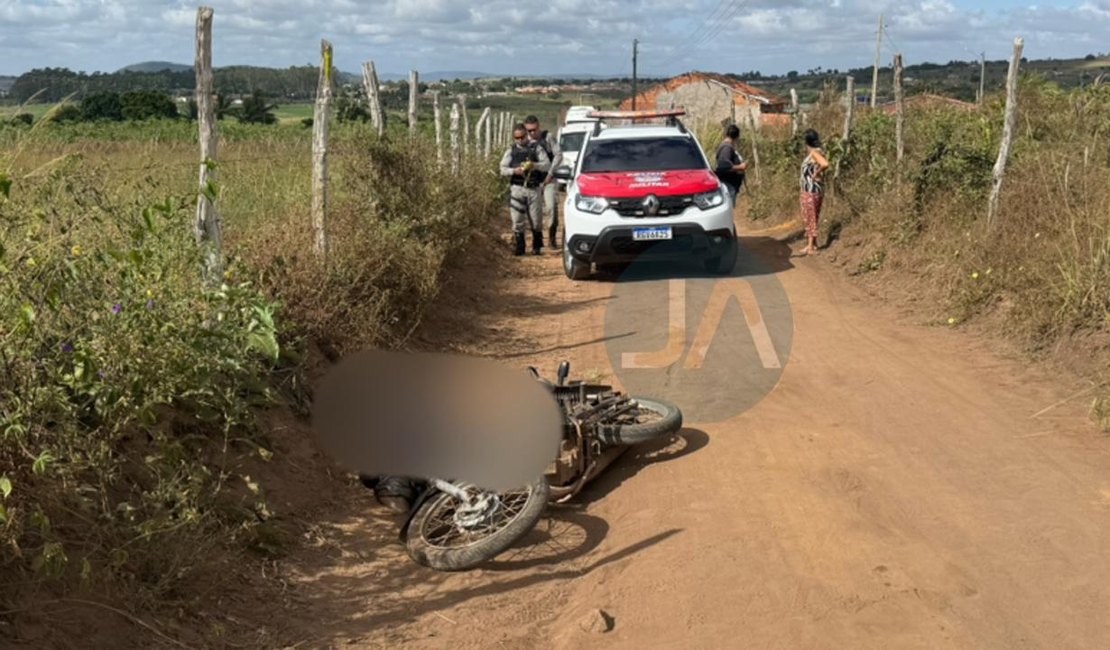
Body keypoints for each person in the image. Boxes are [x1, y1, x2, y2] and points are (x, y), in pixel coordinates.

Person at [500, 123, 551, 255]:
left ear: (526, 135)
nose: (520, 140)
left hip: (533, 189)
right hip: (517, 188)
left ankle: (536, 246)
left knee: (536, 220)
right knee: (517, 220)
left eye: (522, 137)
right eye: (517, 138)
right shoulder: (511, 151)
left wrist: (534, 165)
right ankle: (520, 247)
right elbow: (502, 169)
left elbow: (546, 165)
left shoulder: (536, 148)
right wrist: (514, 171)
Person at [523, 115, 563, 250]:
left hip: (549, 179)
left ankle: (552, 237)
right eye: (529, 131)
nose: (532, 133)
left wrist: (551, 174)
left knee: (551, 208)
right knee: (535, 213)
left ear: (538, 126)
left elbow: (558, 155)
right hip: (533, 182)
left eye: (534, 129)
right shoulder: (524, 141)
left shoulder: (548, 137)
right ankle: (537, 240)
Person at [799, 128, 830, 256]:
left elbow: (825, 164)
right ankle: (813, 244)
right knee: (813, 217)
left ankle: (810, 246)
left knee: (810, 217)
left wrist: (815, 174)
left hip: (810, 190)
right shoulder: (818, 152)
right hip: (814, 190)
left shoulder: (814, 153)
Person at [714, 124, 748, 209]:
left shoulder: (727, 147)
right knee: (729, 211)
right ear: (737, 137)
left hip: (730, 185)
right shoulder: (727, 148)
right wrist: (740, 167)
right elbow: (723, 166)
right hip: (728, 185)